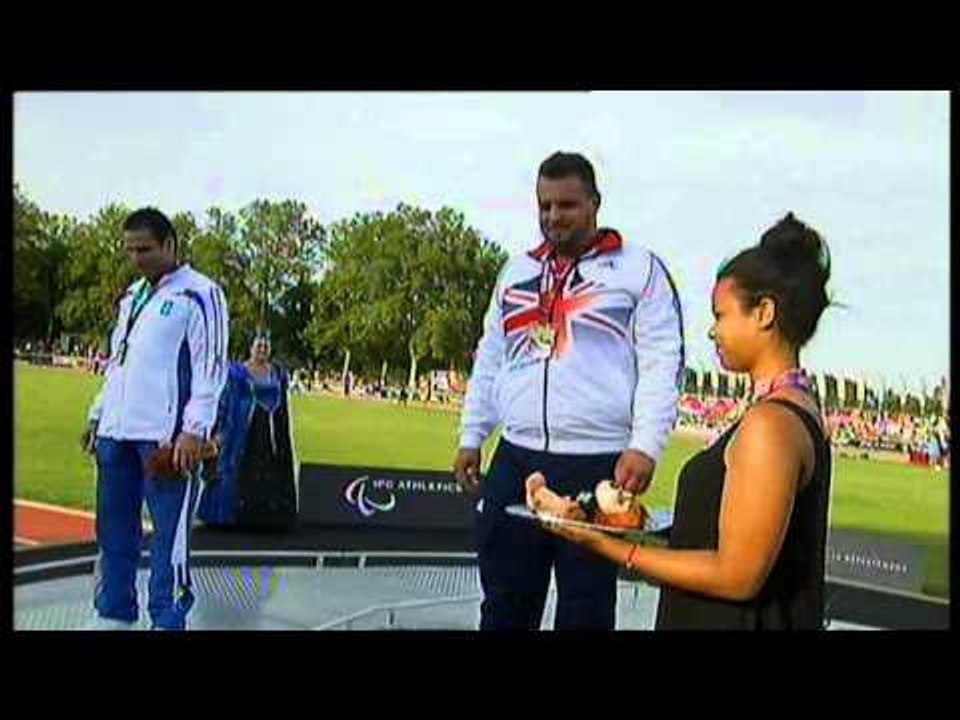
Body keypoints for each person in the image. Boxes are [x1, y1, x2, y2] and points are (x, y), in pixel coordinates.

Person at [543, 213, 834, 630]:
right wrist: (610, 522)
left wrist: (606, 545)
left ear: (764, 313)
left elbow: (738, 577)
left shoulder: (771, 425)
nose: (713, 332)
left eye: (721, 315)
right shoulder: (785, 412)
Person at [453, 151, 684, 630]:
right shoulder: (515, 272)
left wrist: (644, 445)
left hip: (597, 464)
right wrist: (472, 434)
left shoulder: (639, 269)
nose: (553, 217)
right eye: (544, 206)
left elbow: (664, 362)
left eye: (566, 205)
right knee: (503, 606)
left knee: (585, 613)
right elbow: (492, 357)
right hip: (514, 458)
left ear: (595, 204)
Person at [80, 207, 229, 630]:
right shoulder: (132, 296)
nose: (137, 258)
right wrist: (98, 414)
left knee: (169, 538)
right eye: (130, 250)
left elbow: (211, 368)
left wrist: (194, 429)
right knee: (113, 531)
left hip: (164, 441)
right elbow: (117, 363)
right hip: (117, 432)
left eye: (145, 249)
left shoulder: (200, 294)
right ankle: (113, 612)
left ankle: (167, 617)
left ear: (170, 244)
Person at [196, 331, 298, 530]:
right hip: (241, 433)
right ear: (250, 348)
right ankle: (227, 518)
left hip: (269, 434)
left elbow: (282, 405)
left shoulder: (277, 373)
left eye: (266, 345)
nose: (262, 348)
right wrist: (219, 434)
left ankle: (265, 519)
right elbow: (225, 402)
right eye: (258, 345)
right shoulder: (236, 373)